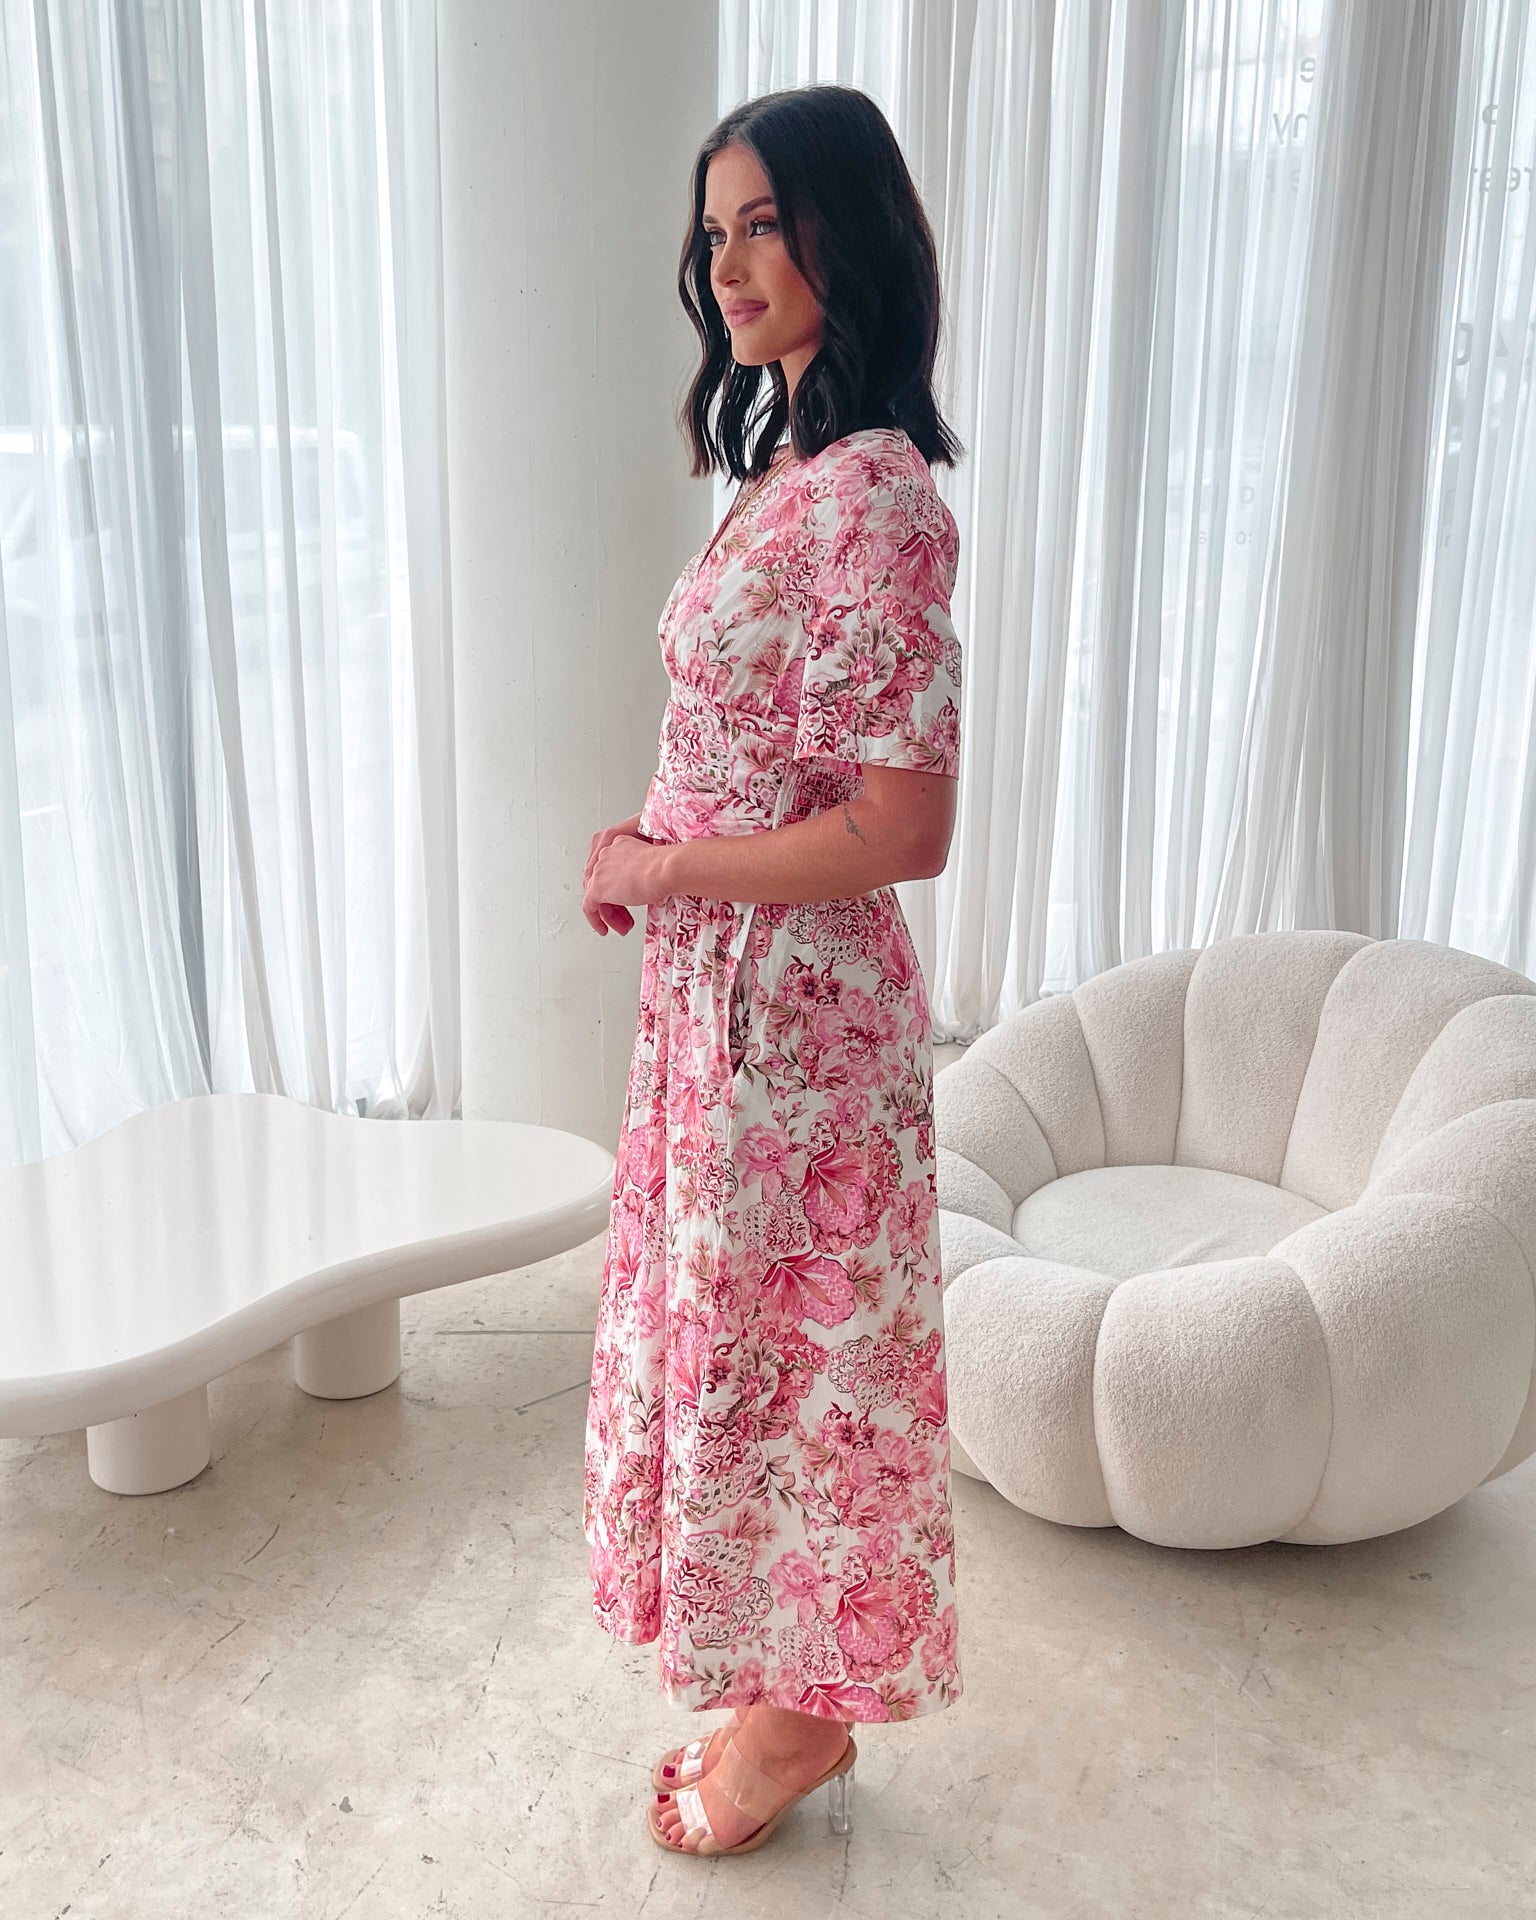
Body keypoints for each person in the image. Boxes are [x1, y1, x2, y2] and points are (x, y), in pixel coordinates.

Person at [580, 82, 965, 1860]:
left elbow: (899, 827)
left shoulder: (879, 494)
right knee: (745, 1355)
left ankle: (803, 1727)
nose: (731, 263)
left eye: (765, 223)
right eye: (716, 228)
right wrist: (657, 871)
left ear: (845, 234)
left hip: (800, 1026)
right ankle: (783, 1687)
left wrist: (669, 867)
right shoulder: (784, 463)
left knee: (809, 1374)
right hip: (727, 1006)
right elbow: (759, 746)